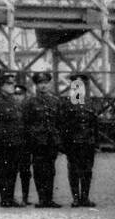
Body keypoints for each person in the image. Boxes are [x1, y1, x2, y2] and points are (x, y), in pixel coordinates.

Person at [60, 72, 101, 207]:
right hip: (73, 143)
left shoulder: (91, 104)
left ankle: (85, 198)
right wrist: (64, 145)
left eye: (81, 85)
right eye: (75, 85)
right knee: (74, 171)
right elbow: (63, 126)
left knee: (87, 171)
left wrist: (96, 143)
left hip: (88, 143)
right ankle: (76, 198)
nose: (78, 88)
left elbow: (95, 125)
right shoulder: (67, 104)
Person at [22, 71, 62, 208]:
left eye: (45, 83)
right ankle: (42, 199)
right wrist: (31, 139)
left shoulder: (55, 101)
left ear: (49, 84)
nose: (43, 86)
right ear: (36, 86)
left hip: (51, 141)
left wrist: (58, 139)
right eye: (40, 83)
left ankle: (49, 199)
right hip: (37, 142)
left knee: (50, 170)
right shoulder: (30, 102)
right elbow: (26, 123)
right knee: (39, 170)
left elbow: (59, 122)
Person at [0, 73, 24, 206]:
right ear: (1, 86)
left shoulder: (13, 100)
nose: (12, 86)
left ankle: (10, 196)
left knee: (13, 170)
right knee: (4, 171)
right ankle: (5, 198)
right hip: (4, 142)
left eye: (13, 84)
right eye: (9, 84)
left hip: (16, 141)